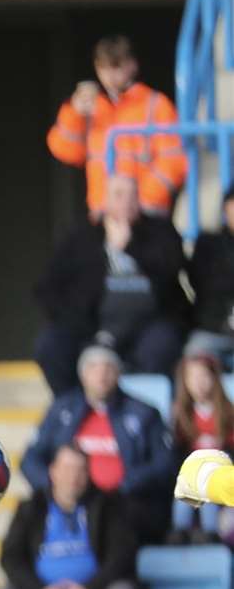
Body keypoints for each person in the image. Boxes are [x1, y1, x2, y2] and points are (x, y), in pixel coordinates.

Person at [33, 174, 188, 394]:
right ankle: (73, 409)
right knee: (50, 346)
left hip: (146, 326)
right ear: (104, 200)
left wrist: (128, 247)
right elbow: (47, 288)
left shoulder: (160, 232)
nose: (127, 201)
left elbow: (171, 272)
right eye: (119, 195)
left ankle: (140, 414)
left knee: (162, 345)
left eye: (133, 195)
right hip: (90, 326)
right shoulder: (82, 236)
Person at [0, 444, 141, 589]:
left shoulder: (108, 506)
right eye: (68, 469)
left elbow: (122, 556)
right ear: (53, 471)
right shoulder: (31, 508)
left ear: (88, 474)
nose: (74, 477)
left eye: (81, 470)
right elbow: (10, 557)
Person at [22, 344, 175, 543]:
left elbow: (165, 463)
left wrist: (129, 483)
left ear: (119, 373)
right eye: (93, 367)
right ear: (82, 374)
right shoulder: (61, 411)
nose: (101, 375)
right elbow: (30, 460)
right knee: (28, 516)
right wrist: (56, 487)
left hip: (125, 502)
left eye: (108, 368)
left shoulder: (144, 412)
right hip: (70, 500)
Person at [47, 35, 187, 219]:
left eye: (116, 66)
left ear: (133, 65)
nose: (110, 75)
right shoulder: (90, 108)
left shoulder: (156, 104)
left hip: (148, 213)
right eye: (103, 68)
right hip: (102, 213)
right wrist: (74, 112)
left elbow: (175, 161)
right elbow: (65, 151)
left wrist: (141, 201)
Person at [169, 353, 234, 544]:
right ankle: (179, 530)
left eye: (204, 376)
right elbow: (176, 450)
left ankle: (210, 532)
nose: (199, 383)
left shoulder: (227, 413)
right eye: (193, 377)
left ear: (215, 379)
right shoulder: (181, 415)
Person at [185, 190, 234, 366]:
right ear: (225, 210)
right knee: (195, 361)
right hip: (212, 330)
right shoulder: (209, 243)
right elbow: (200, 282)